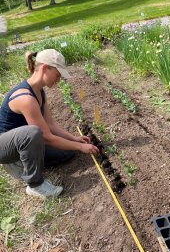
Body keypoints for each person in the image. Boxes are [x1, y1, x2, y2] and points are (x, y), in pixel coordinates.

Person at [0, 49, 99, 199]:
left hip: (22, 142)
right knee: (33, 133)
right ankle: (34, 184)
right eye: (58, 75)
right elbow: (46, 136)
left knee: (67, 152)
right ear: (45, 68)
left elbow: (51, 125)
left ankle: (25, 159)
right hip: (4, 146)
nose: (58, 80)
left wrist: (74, 139)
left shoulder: (40, 92)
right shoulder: (25, 98)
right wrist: (81, 147)